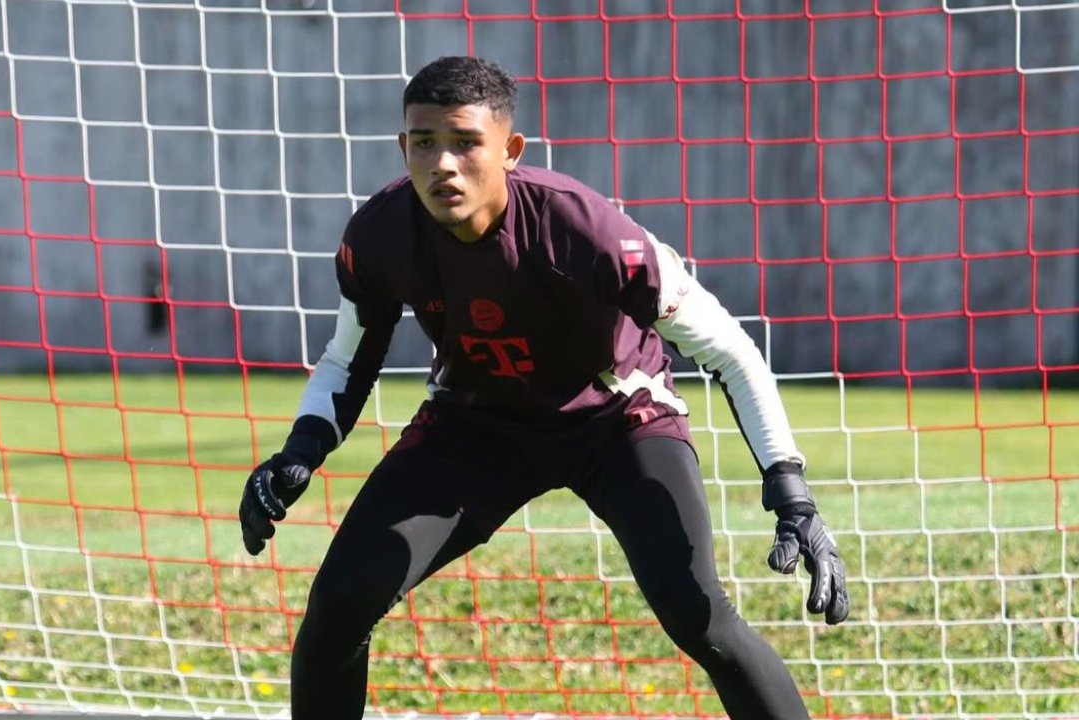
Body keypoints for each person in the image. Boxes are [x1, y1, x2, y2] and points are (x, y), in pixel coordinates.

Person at [238, 55, 849, 720]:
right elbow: (346, 360)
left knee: (696, 613)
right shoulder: (380, 234)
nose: (443, 164)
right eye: (424, 143)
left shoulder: (588, 230)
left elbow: (729, 351)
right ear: (402, 147)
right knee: (341, 600)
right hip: (476, 428)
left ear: (510, 150)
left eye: (466, 142)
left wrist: (789, 488)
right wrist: (299, 450)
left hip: (617, 420)